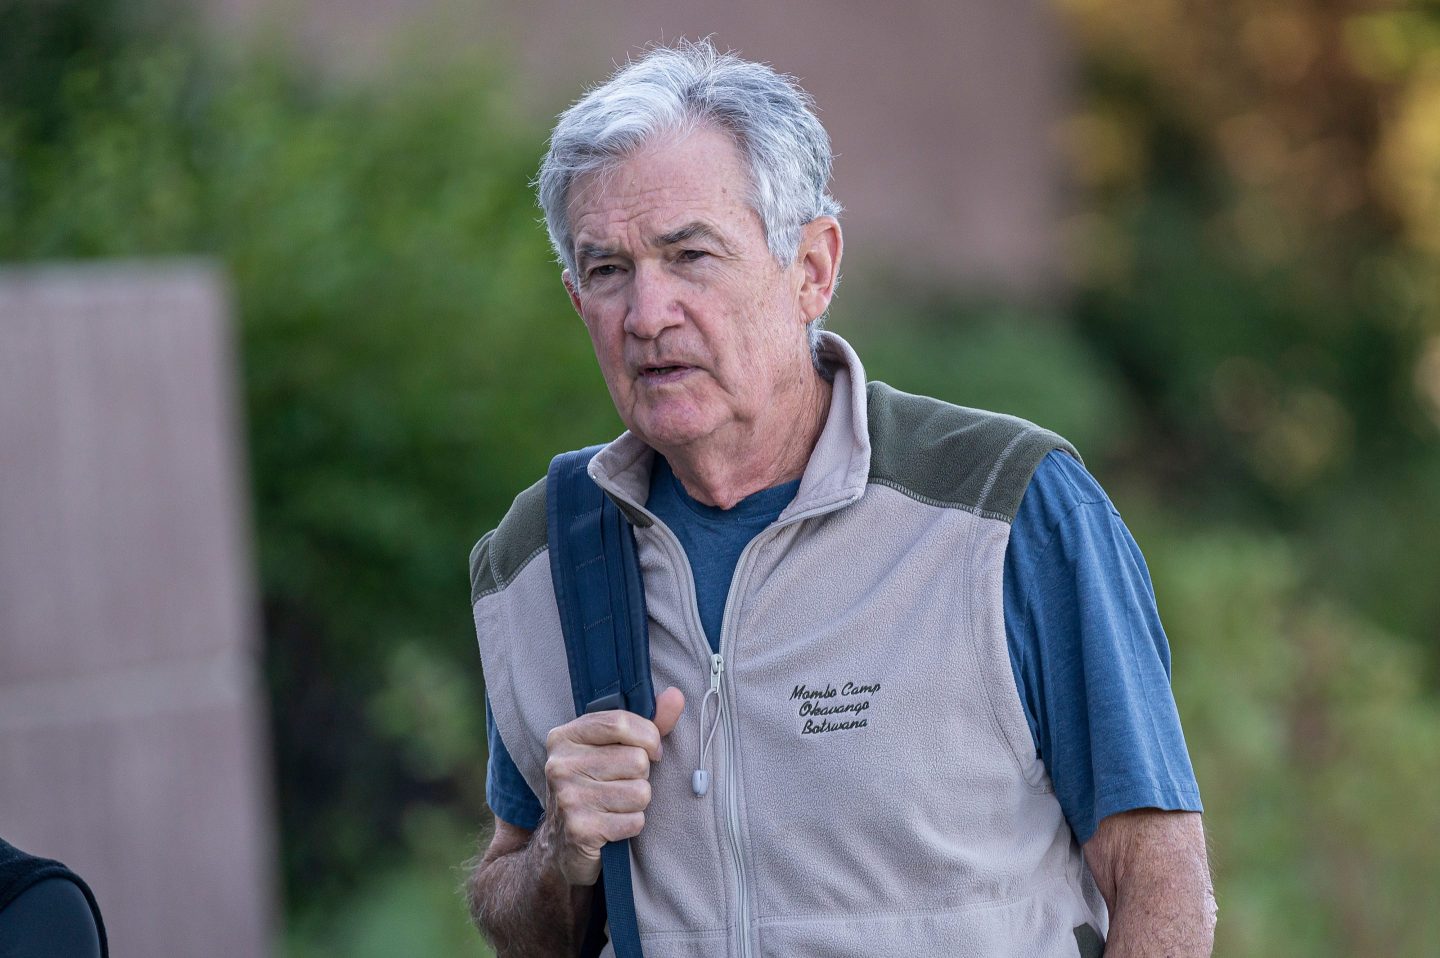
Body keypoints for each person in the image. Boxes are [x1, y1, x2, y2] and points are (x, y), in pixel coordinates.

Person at [467, 39, 1215, 957]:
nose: (648, 313)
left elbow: (1161, 880)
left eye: (690, 254)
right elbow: (515, 916)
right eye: (609, 270)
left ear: (812, 268)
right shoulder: (542, 556)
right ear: (580, 301)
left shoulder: (1009, 508)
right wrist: (558, 848)